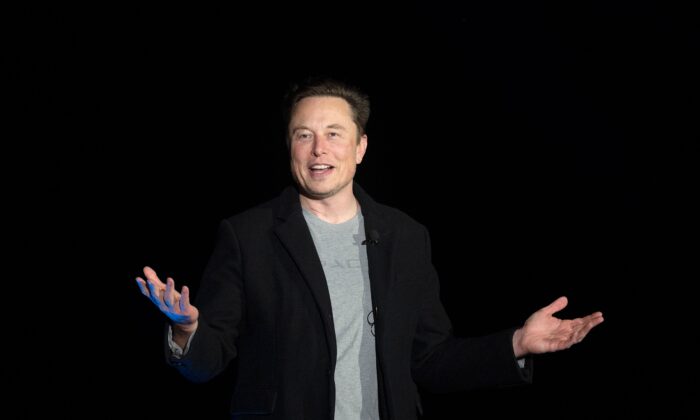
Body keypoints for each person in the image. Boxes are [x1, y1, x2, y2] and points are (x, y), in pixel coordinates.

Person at [135, 77, 604, 420]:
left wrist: (516, 344)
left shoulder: (405, 236)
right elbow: (206, 363)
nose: (319, 148)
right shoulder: (248, 235)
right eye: (304, 135)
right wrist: (187, 333)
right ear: (290, 147)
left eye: (334, 134)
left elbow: (429, 359)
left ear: (360, 147)